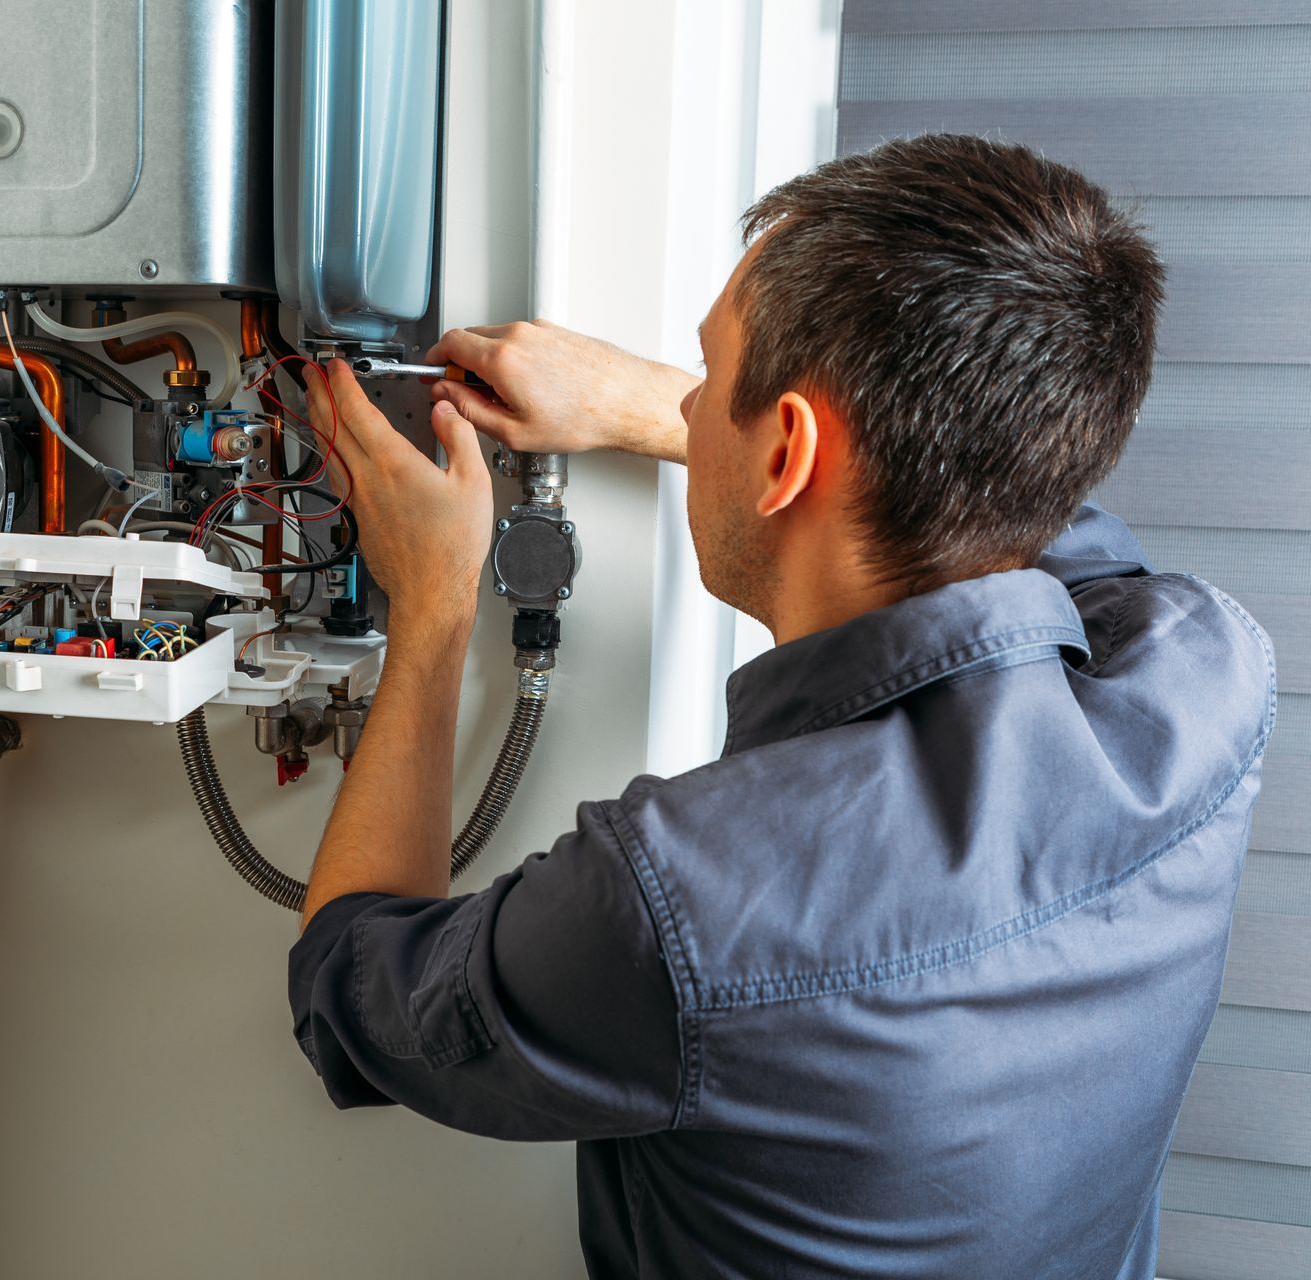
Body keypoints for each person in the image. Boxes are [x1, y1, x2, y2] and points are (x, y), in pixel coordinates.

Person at [284, 133, 1276, 1279]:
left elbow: (347, 989)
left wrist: (436, 604)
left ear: (791, 452)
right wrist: (641, 407)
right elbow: (1010, 499)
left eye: (708, 379)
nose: (690, 404)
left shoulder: (685, 903)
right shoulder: (1202, 675)